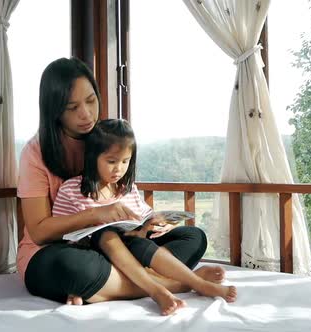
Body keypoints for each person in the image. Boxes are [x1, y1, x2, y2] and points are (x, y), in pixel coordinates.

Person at [17, 57, 226, 310]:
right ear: (54, 110)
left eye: (91, 101)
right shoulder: (35, 153)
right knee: (72, 267)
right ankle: (178, 283)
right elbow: (39, 232)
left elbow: (129, 201)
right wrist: (96, 215)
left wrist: (150, 225)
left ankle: (105, 287)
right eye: (72, 107)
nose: (86, 114)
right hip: (60, 250)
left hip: (122, 245)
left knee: (193, 237)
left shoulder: (105, 139)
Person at [52, 119, 237, 315]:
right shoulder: (71, 190)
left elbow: (144, 215)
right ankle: (184, 284)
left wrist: (158, 223)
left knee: (194, 235)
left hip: (139, 250)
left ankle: (145, 281)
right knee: (106, 235)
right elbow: (60, 236)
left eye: (125, 161)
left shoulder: (127, 189)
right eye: (111, 161)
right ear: (93, 157)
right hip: (103, 260)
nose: (119, 169)